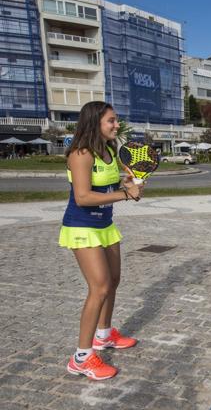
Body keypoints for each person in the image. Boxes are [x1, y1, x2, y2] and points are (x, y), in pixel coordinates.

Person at [59, 101, 143, 380]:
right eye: (112, 121)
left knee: (114, 281)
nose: (117, 125)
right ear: (95, 122)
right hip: (82, 226)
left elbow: (111, 187)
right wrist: (125, 195)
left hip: (105, 225)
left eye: (116, 120)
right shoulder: (80, 154)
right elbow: (83, 197)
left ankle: (104, 335)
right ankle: (81, 357)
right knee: (100, 287)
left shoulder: (108, 151)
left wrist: (129, 185)